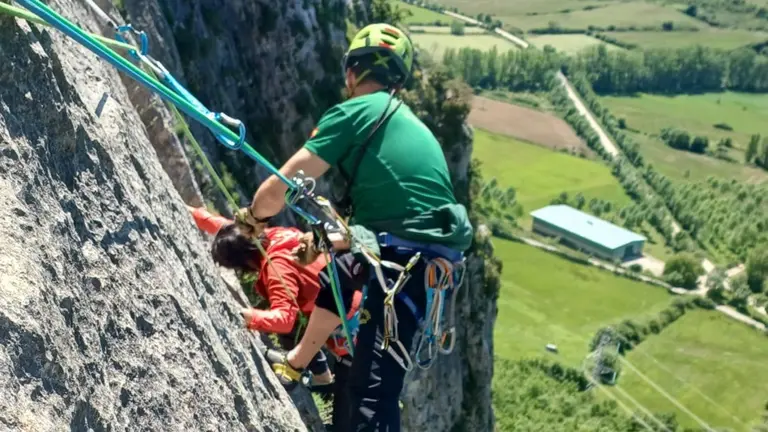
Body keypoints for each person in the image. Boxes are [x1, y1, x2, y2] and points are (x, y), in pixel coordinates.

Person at [234, 23, 474, 431]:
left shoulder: (357, 113)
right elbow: (392, 216)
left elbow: (281, 184)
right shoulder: (409, 125)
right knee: (341, 274)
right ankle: (296, 364)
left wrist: (253, 219)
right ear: (396, 79)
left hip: (406, 262)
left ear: (352, 73)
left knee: (371, 389)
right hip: (418, 256)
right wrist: (325, 240)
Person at [188, 205, 360, 388]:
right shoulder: (272, 236)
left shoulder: (277, 268)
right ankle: (322, 376)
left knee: (291, 326)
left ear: (243, 262)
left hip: (346, 319)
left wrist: (241, 315)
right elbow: (223, 228)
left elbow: (284, 319)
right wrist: (188, 210)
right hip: (354, 292)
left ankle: (316, 376)